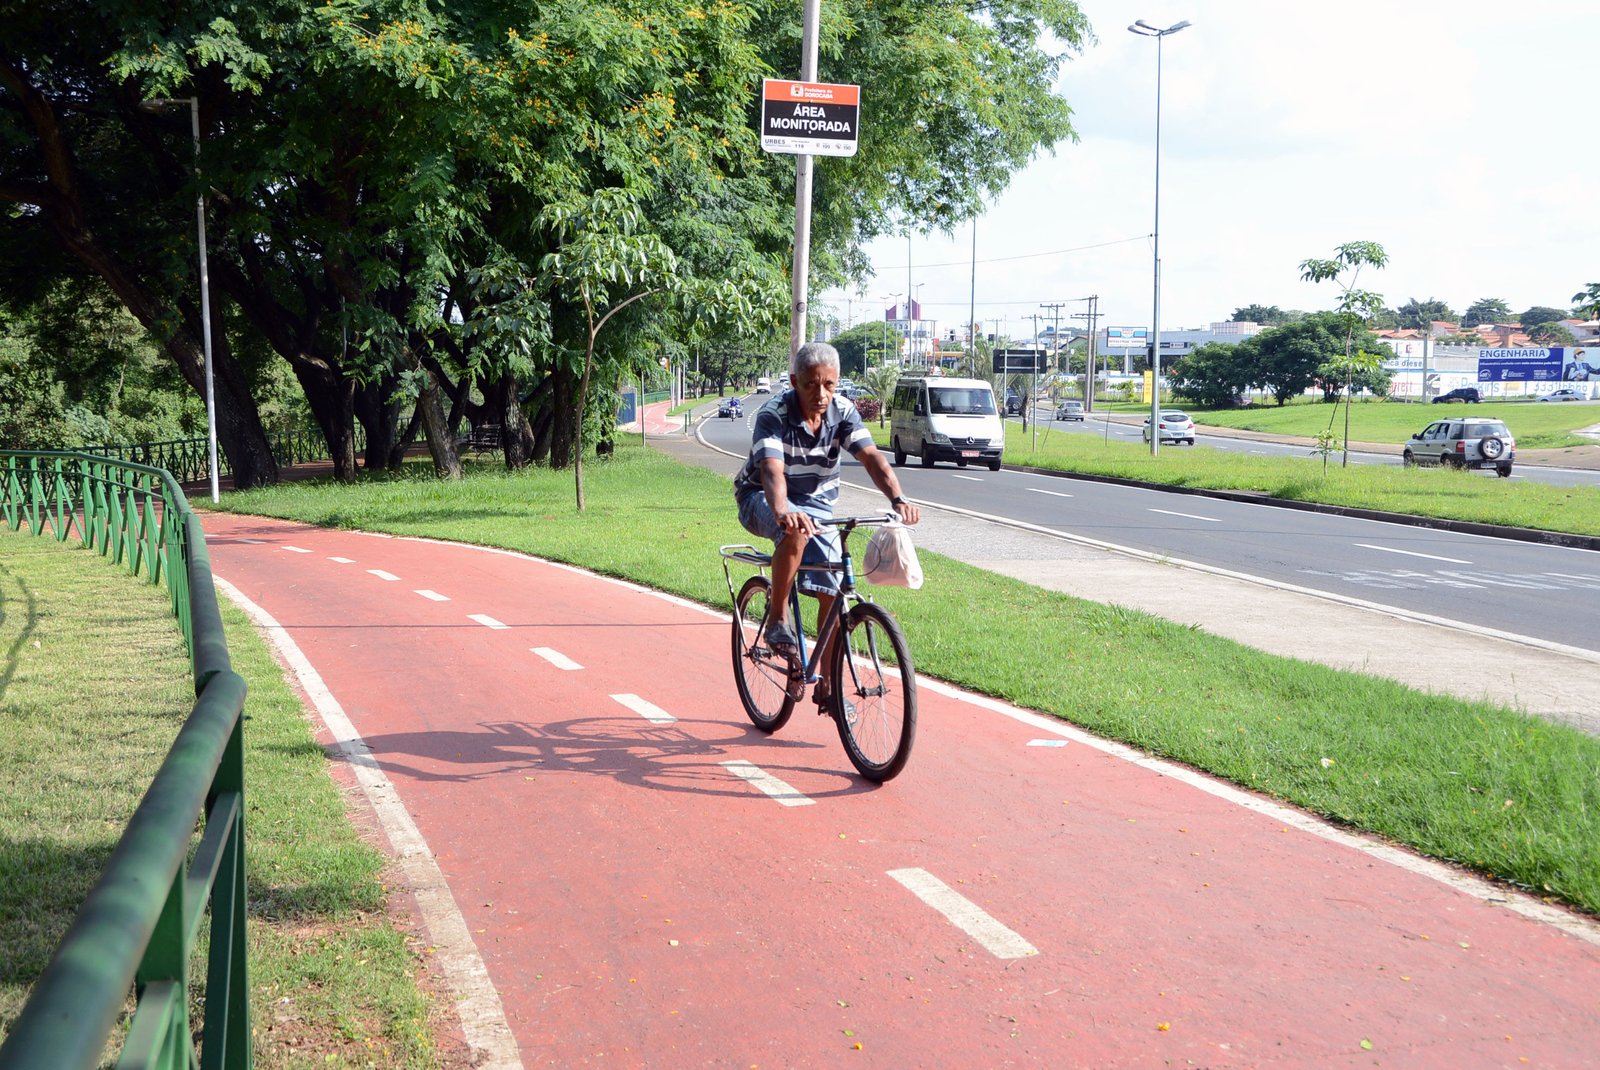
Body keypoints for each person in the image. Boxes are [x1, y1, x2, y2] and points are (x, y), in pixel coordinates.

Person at [733, 342, 920, 710]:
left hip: (817, 505)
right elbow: (771, 470)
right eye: (811, 384)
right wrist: (783, 509)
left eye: (829, 385)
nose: (821, 394)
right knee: (796, 530)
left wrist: (897, 499)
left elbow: (872, 458)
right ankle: (776, 618)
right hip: (761, 497)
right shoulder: (774, 414)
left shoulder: (843, 412)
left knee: (834, 591)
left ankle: (828, 688)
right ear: (794, 382)